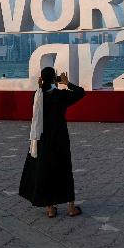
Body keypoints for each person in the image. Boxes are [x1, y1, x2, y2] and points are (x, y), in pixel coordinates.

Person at [19, 67, 85, 218]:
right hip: (60, 138)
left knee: (46, 171)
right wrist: (67, 83)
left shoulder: (37, 97)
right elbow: (81, 93)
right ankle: (71, 208)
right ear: (55, 79)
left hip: (43, 139)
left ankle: (50, 209)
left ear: (42, 79)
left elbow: (42, 94)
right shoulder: (60, 95)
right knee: (64, 170)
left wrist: (41, 85)